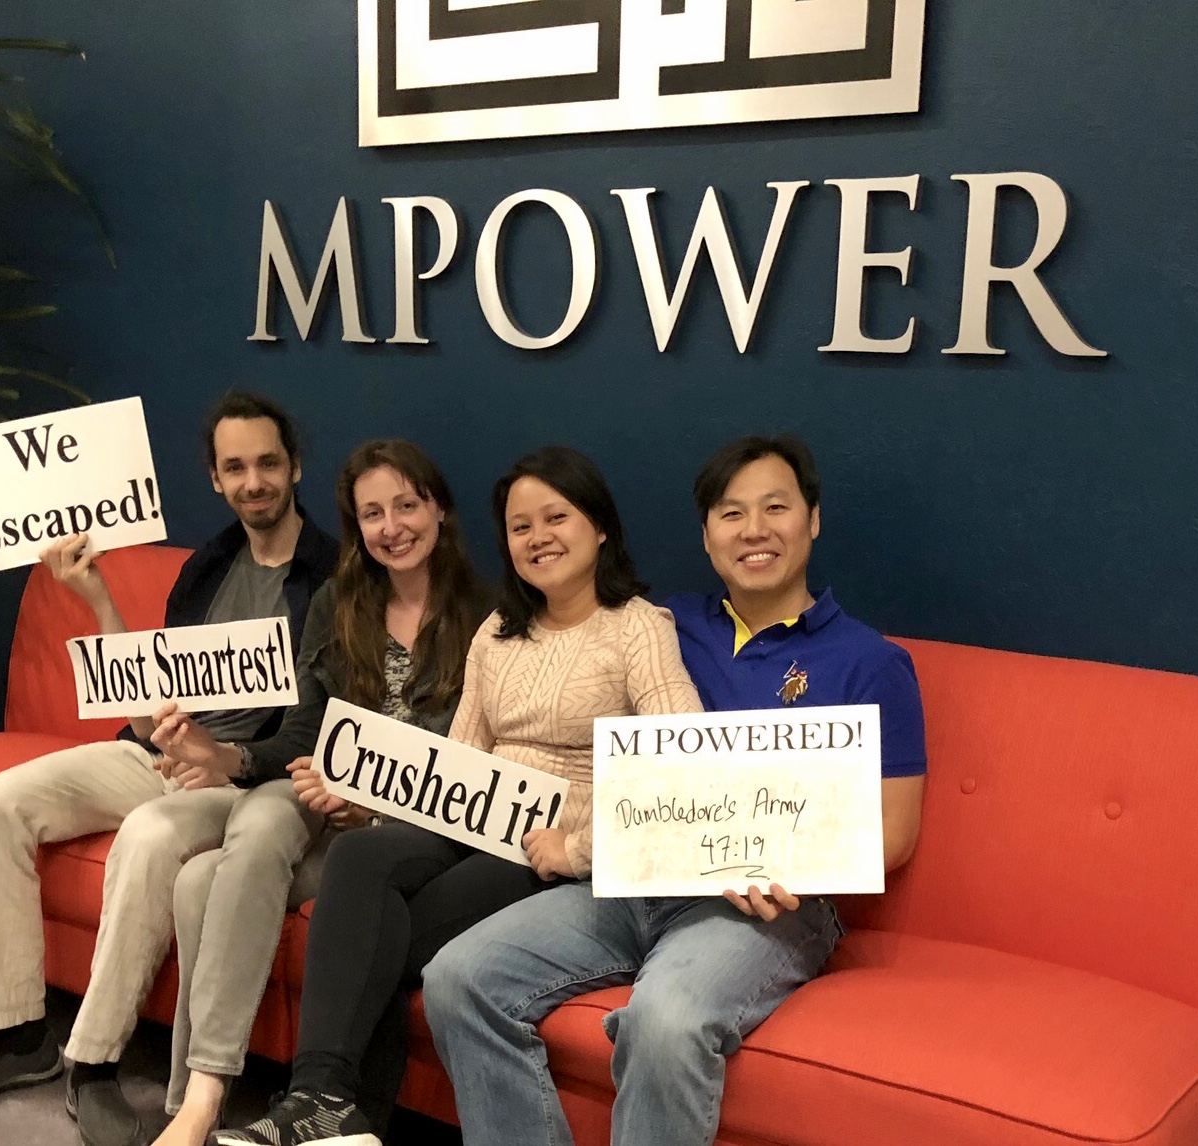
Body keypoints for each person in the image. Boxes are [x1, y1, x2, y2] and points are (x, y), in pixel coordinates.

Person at [422, 435, 928, 1146]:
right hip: (633, 881)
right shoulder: (668, 626)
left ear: (812, 519)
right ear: (707, 534)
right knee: (457, 978)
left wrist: (776, 864)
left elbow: (893, 833)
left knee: (664, 1020)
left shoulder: (870, 662)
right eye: (731, 513)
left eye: (775, 508)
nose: (753, 530)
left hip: (765, 907)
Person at [211, 446, 703, 1146]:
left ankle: (333, 1115)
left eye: (556, 518)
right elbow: (459, 763)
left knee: (386, 936)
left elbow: (677, 762)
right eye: (520, 526)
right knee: (359, 859)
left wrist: (580, 844)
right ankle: (320, 1098)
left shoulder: (638, 627)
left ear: (599, 528)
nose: (538, 538)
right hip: (479, 816)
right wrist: (369, 799)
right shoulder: (496, 634)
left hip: (554, 845)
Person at [0, 392, 339, 1146]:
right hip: (161, 754)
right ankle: (18, 1038)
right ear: (215, 479)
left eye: (267, 463)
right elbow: (146, 706)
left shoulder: (331, 577)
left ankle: (94, 1063)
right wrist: (97, 597)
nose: (253, 481)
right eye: (235, 468)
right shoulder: (207, 567)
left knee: (149, 834)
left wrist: (224, 760)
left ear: (295, 467)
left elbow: (313, 727)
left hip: (242, 778)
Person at [145, 439, 493, 1146]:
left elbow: (476, 764)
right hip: (338, 824)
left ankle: (300, 1108)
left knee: (219, 877)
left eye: (406, 505)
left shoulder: (488, 613)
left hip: (428, 834)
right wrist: (225, 756)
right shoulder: (339, 602)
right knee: (199, 878)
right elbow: (303, 733)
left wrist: (372, 800)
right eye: (372, 513)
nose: (391, 527)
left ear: (439, 510)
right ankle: (200, 1099)